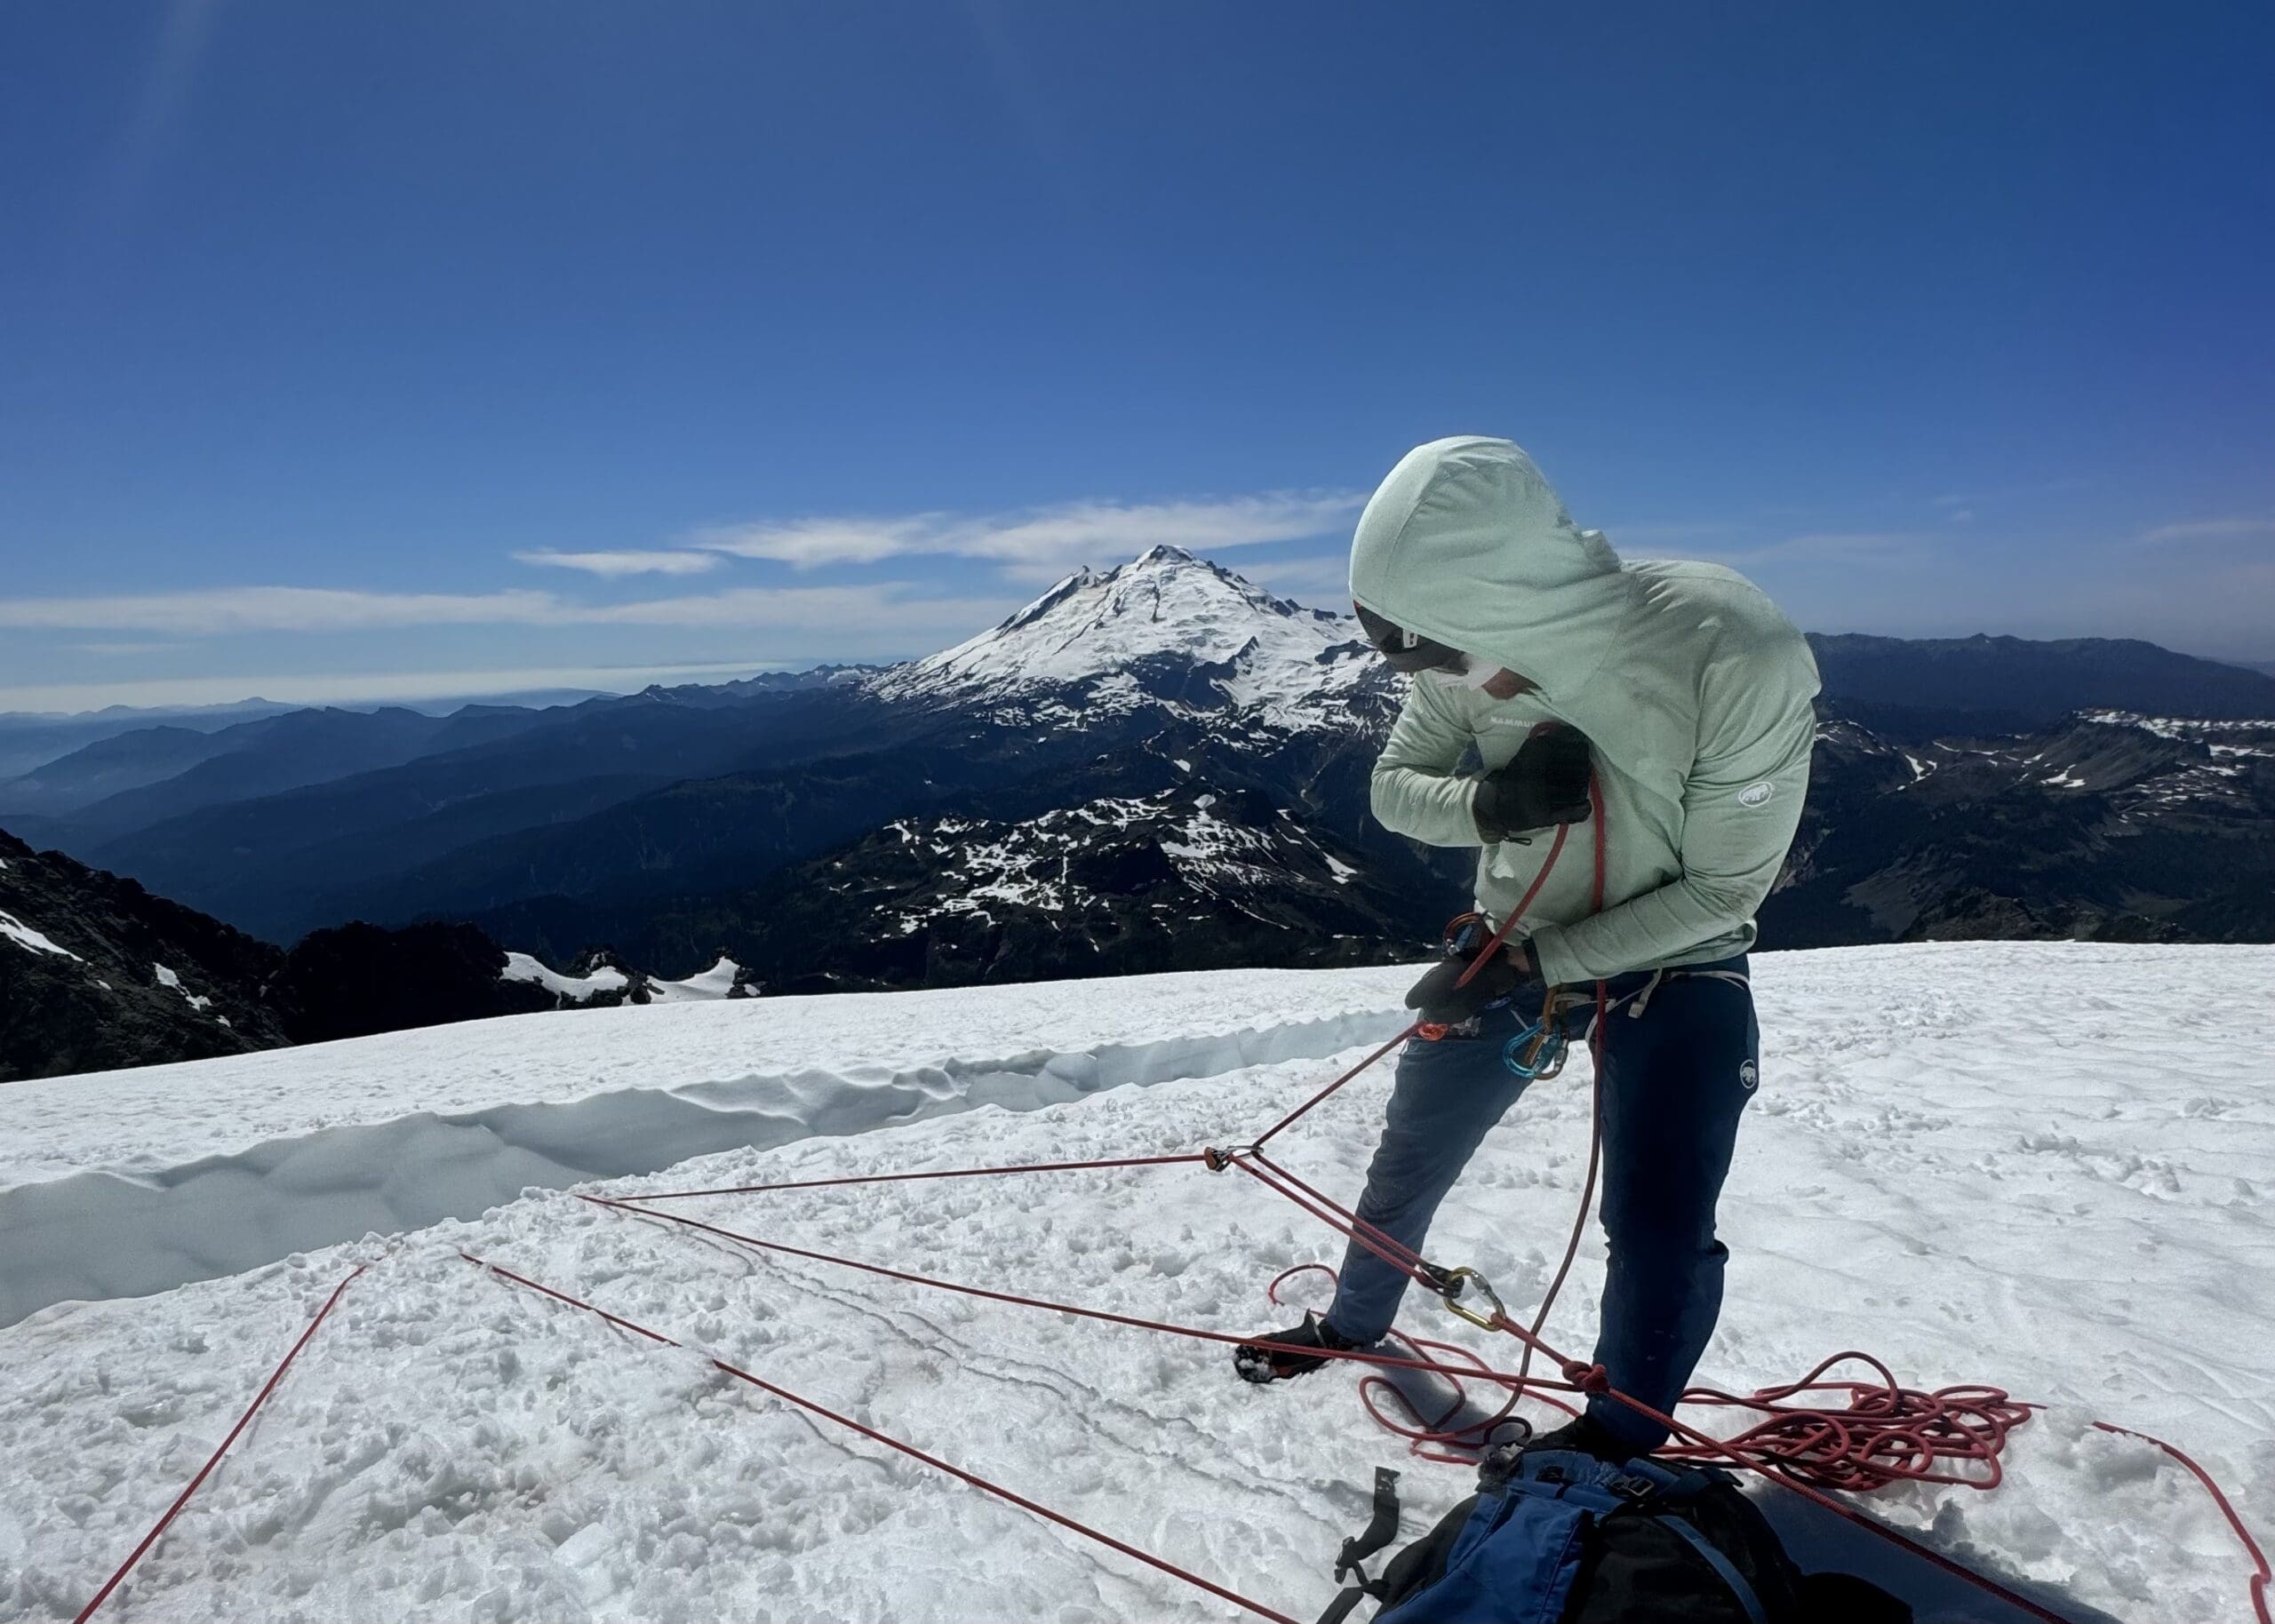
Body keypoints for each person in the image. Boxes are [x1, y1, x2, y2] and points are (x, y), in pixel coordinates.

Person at [1233, 435, 1820, 1460]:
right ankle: (1353, 1325)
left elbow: (1726, 886)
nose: (1445, 681)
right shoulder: (1457, 643)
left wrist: (1538, 964)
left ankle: (1617, 1444)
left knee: (1658, 1222)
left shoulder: (1727, 645)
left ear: (1506, 601)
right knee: (1405, 1163)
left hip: (1672, 957)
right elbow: (1392, 785)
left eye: (1440, 655)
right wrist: (1489, 803)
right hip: (1513, 943)